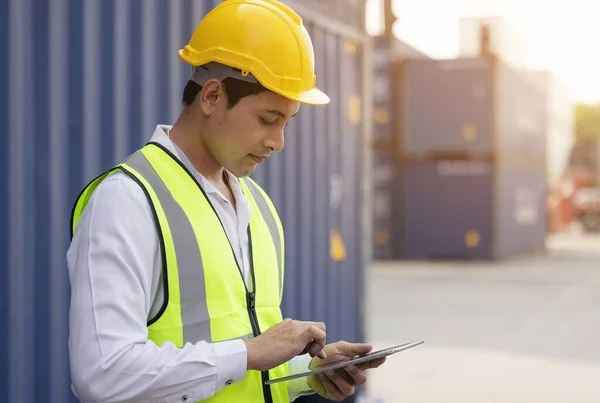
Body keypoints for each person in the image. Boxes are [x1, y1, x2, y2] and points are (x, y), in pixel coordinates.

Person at [67, 1, 385, 402]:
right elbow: (102, 373)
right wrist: (249, 354)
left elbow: (243, 360)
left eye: (288, 122)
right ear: (213, 97)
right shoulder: (128, 201)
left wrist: (308, 370)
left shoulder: (259, 207)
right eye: (268, 120)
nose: (278, 142)